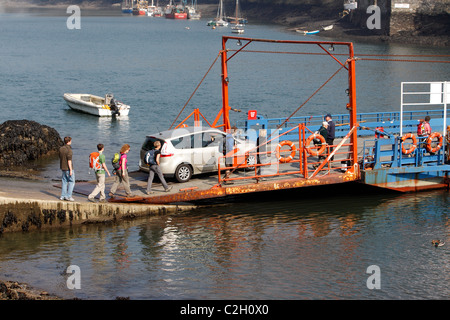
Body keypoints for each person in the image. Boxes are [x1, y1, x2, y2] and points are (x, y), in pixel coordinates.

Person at [59, 136, 75, 201]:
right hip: (68, 168)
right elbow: (69, 161)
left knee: (64, 182)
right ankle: (68, 196)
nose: (71, 142)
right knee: (72, 182)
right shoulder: (69, 150)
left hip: (62, 167)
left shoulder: (61, 149)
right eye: (70, 141)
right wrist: (71, 169)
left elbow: (60, 157)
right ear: (68, 141)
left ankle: (63, 196)